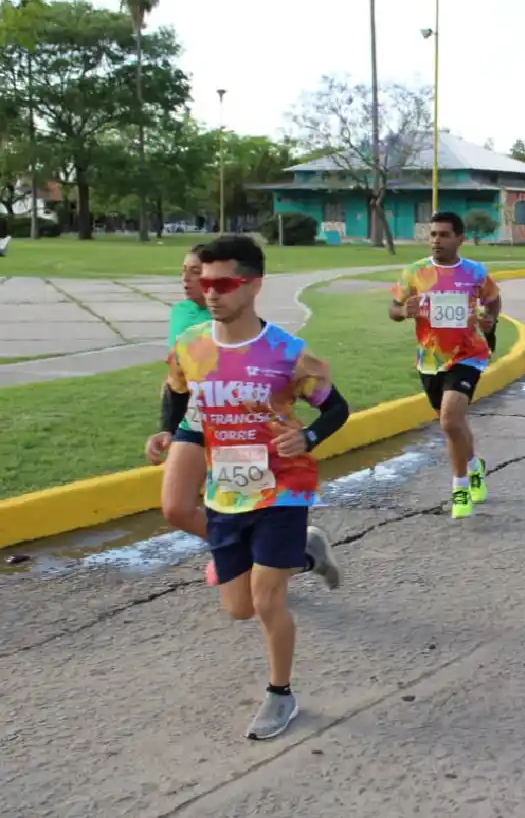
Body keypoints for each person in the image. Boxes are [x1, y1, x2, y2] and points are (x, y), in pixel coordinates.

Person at [151, 234, 348, 740]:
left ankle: (281, 694)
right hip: (227, 491)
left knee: (266, 603)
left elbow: (336, 409)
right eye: (205, 282)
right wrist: (167, 434)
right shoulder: (190, 348)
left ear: (253, 285)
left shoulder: (286, 352)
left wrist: (305, 436)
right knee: (238, 607)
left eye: (224, 283)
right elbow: (177, 393)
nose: (210, 292)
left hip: (283, 487)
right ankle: (305, 554)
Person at [390, 211, 500, 520]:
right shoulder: (415, 272)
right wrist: (403, 311)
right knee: (454, 425)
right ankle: (474, 464)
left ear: (459, 238)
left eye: (444, 234)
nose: (437, 240)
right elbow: (393, 309)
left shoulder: (476, 272)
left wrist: (490, 323)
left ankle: (460, 487)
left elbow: (492, 300)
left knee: (450, 421)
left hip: (468, 354)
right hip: (430, 360)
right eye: (433, 234)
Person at [145, 244, 216, 583]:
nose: (185, 280)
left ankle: (291, 551)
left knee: (224, 501)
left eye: (195, 272)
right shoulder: (180, 313)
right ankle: (232, 547)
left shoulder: (228, 313)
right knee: (177, 507)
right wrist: (166, 427)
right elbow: (175, 377)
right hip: (191, 417)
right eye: (183, 271)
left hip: (232, 420)